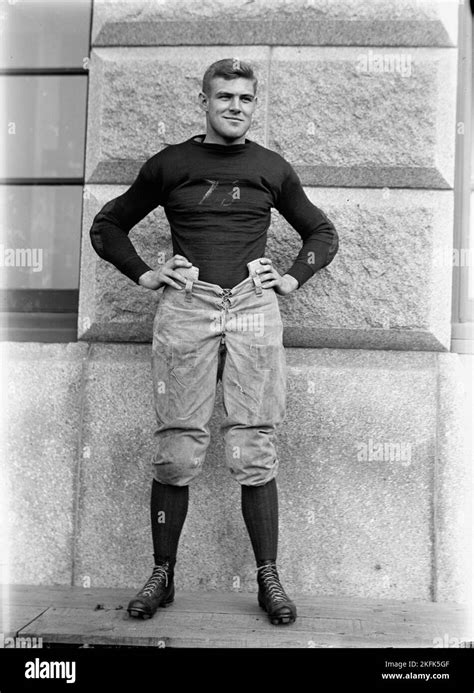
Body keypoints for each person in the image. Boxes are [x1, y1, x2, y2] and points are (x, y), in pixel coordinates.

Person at [89, 58, 339, 626]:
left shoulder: (271, 167)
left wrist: (293, 277)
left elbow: (321, 231)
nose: (234, 106)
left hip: (253, 306)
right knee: (178, 447)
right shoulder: (171, 164)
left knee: (254, 445)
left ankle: (269, 578)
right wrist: (146, 273)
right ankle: (162, 575)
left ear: (254, 105)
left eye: (245, 99)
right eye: (223, 96)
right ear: (203, 100)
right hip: (188, 304)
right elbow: (107, 225)